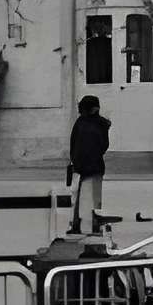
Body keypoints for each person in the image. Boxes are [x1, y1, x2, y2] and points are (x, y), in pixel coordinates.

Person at [67, 94, 112, 236]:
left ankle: (77, 224)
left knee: (79, 197)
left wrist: (74, 161)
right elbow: (104, 145)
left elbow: (73, 144)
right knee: (95, 198)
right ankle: (94, 225)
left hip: (81, 167)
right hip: (95, 166)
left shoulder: (80, 123)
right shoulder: (101, 124)